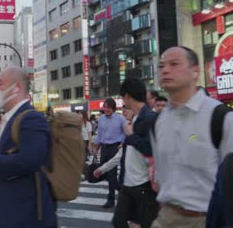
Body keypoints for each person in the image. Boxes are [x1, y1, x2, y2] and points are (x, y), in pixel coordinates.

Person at [150, 46, 233, 228]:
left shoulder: (219, 117)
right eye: (161, 65)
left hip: (205, 220)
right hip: (164, 217)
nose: (165, 70)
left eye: (174, 64)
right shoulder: (159, 121)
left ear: (195, 71)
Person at [0, 66, 56, 228]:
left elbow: (30, 160)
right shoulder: (10, 119)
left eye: (0, 84)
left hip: (28, 215)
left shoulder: (31, 118)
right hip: (10, 211)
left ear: (17, 87)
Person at [94, 78, 159, 228]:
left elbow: (151, 150)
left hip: (143, 185)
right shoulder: (134, 118)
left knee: (142, 223)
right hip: (128, 183)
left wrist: (130, 136)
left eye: (123, 97)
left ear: (128, 96)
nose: (123, 102)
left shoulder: (149, 118)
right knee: (120, 222)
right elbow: (125, 153)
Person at [92, 98, 127, 208]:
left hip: (114, 148)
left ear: (113, 108)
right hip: (104, 148)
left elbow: (127, 132)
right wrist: (96, 148)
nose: (106, 109)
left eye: (108, 107)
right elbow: (99, 135)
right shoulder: (101, 118)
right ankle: (121, 190)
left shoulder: (120, 118)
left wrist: (122, 143)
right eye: (105, 107)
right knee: (104, 173)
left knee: (111, 174)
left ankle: (110, 200)